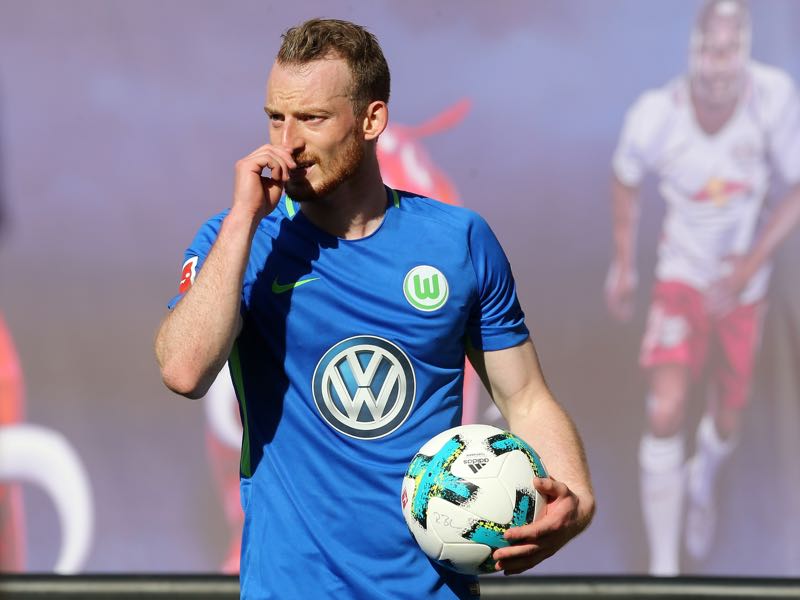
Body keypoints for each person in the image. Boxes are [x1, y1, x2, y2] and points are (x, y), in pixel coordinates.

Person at [156, 18, 594, 598]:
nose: (286, 142)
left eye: (311, 119)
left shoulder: (458, 241)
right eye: (274, 117)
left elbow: (525, 397)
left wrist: (576, 499)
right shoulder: (237, 243)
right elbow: (183, 371)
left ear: (371, 120)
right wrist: (242, 220)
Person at [606, 0, 800, 576]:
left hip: (743, 289)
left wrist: (748, 266)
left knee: (727, 419)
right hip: (681, 280)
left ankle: (703, 484)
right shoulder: (655, 114)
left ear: (743, 51)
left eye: (728, 50)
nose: (716, 65)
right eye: (707, 50)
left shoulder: (773, 97)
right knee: (664, 409)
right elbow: (625, 178)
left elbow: (795, 186)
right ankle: (665, 569)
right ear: (692, 51)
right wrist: (624, 264)